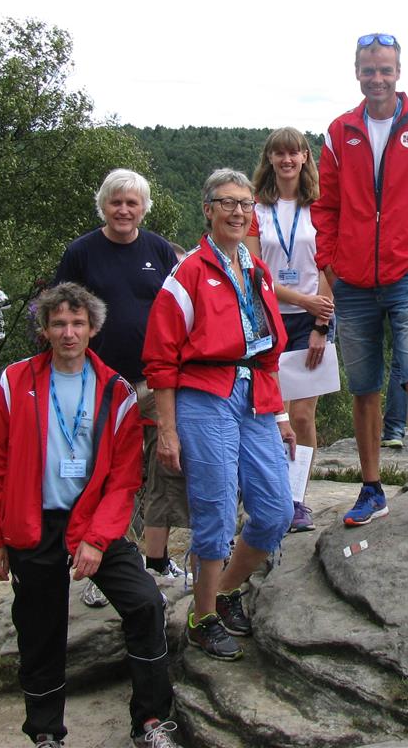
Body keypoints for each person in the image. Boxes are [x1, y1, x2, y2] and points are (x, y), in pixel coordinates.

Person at [0, 283, 176, 748]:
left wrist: (97, 539)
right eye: (59, 323)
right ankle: (46, 733)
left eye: (78, 323)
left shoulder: (116, 391)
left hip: (91, 523)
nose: (69, 333)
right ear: (44, 330)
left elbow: (125, 479)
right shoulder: (16, 382)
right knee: (41, 630)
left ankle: (149, 721)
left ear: (93, 329)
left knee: (145, 603)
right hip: (32, 522)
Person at [315, 32, 408, 543]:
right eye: (368, 69)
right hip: (353, 283)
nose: (376, 78)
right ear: (357, 72)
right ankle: (372, 489)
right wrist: (329, 262)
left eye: (385, 69)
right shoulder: (340, 132)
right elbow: (326, 206)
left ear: (398, 72)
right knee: (363, 391)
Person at [144, 169, 296, 661]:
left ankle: (227, 590)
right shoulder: (187, 273)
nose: (237, 212)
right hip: (204, 395)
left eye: (245, 204)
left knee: (276, 509)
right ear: (207, 209)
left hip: (256, 395)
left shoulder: (259, 272)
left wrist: (280, 417)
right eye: (226, 203)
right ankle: (202, 616)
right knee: (215, 510)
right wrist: (166, 429)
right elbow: (162, 358)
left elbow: (270, 351)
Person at [55, 169, 186, 607]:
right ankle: (109, 566)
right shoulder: (82, 253)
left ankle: (155, 560)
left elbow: (181, 310)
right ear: (104, 206)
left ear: (144, 207)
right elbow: (60, 314)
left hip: (156, 382)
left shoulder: (159, 251)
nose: (124, 210)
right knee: (106, 475)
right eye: (116, 202)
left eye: (132, 203)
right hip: (102, 385)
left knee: (162, 469)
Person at [251, 127, 340, 534]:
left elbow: (330, 265)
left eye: (295, 152)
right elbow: (256, 272)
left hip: (313, 322)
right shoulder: (255, 208)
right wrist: (303, 300)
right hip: (270, 317)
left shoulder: (320, 206)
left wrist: (320, 320)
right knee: (272, 414)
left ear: (306, 158)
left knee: (303, 415)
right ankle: (270, 495)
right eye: (279, 153)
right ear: (269, 159)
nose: (287, 160)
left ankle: (296, 499)